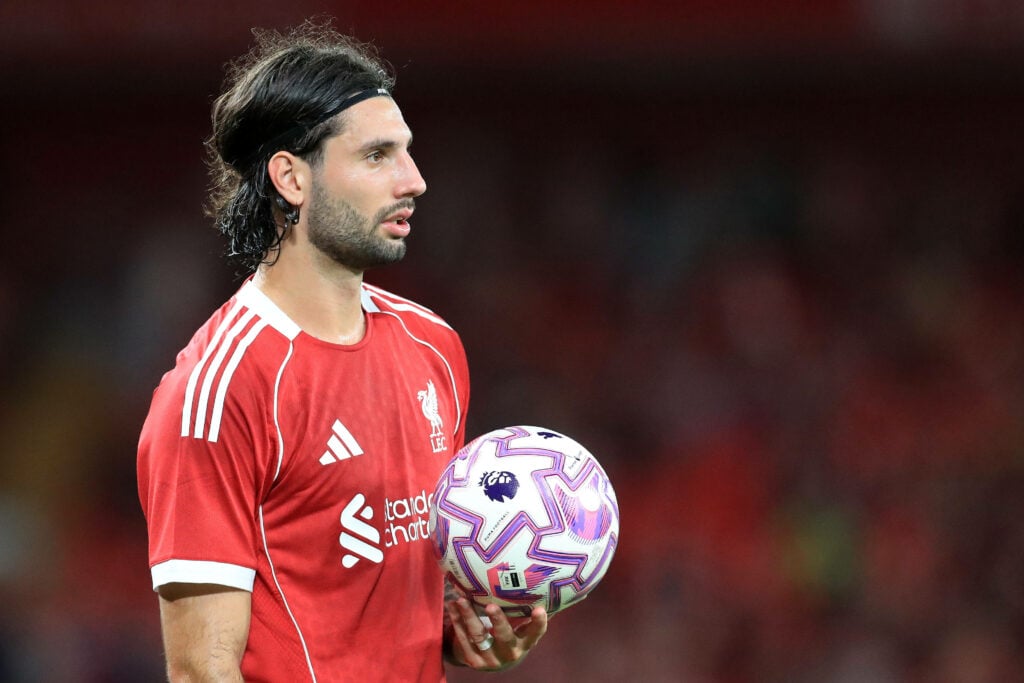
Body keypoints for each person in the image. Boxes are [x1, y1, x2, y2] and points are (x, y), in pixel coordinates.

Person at [136, 22, 547, 682]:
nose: (414, 180)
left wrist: (469, 633)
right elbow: (200, 670)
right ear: (291, 178)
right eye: (377, 156)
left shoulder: (434, 347)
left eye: (407, 152)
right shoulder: (219, 390)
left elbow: (388, 596)